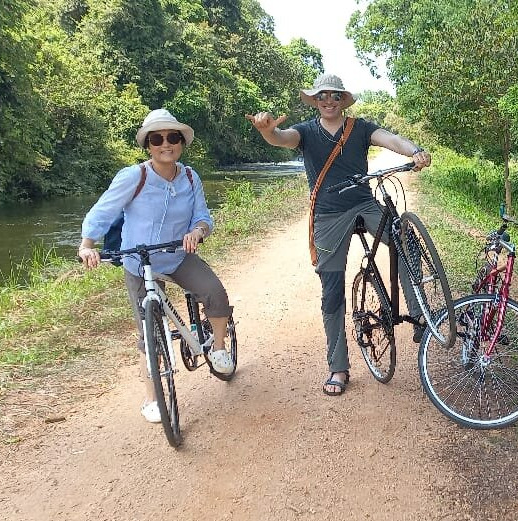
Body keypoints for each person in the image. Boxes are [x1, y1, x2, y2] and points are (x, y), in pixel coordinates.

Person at [246, 73, 431, 397]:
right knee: (331, 290)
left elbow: (391, 140)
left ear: (342, 100)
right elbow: (282, 138)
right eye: (322, 97)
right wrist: (267, 130)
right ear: (315, 101)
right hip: (328, 214)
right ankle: (338, 366)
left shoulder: (359, 128)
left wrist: (415, 151)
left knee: (406, 239)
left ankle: (420, 314)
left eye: (334, 96)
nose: (328, 102)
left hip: (364, 204)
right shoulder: (305, 131)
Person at [78, 108, 235, 423]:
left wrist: (197, 231)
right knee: (147, 331)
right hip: (139, 261)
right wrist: (87, 245)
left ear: (181, 142)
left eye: (173, 137)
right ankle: (152, 397)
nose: (166, 144)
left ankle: (218, 348)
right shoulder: (133, 177)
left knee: (215, 293)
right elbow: (103, 211)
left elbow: (203, 216)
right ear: (148, 145)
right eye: (157, 138)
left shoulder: (190, 177)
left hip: (178, 255)